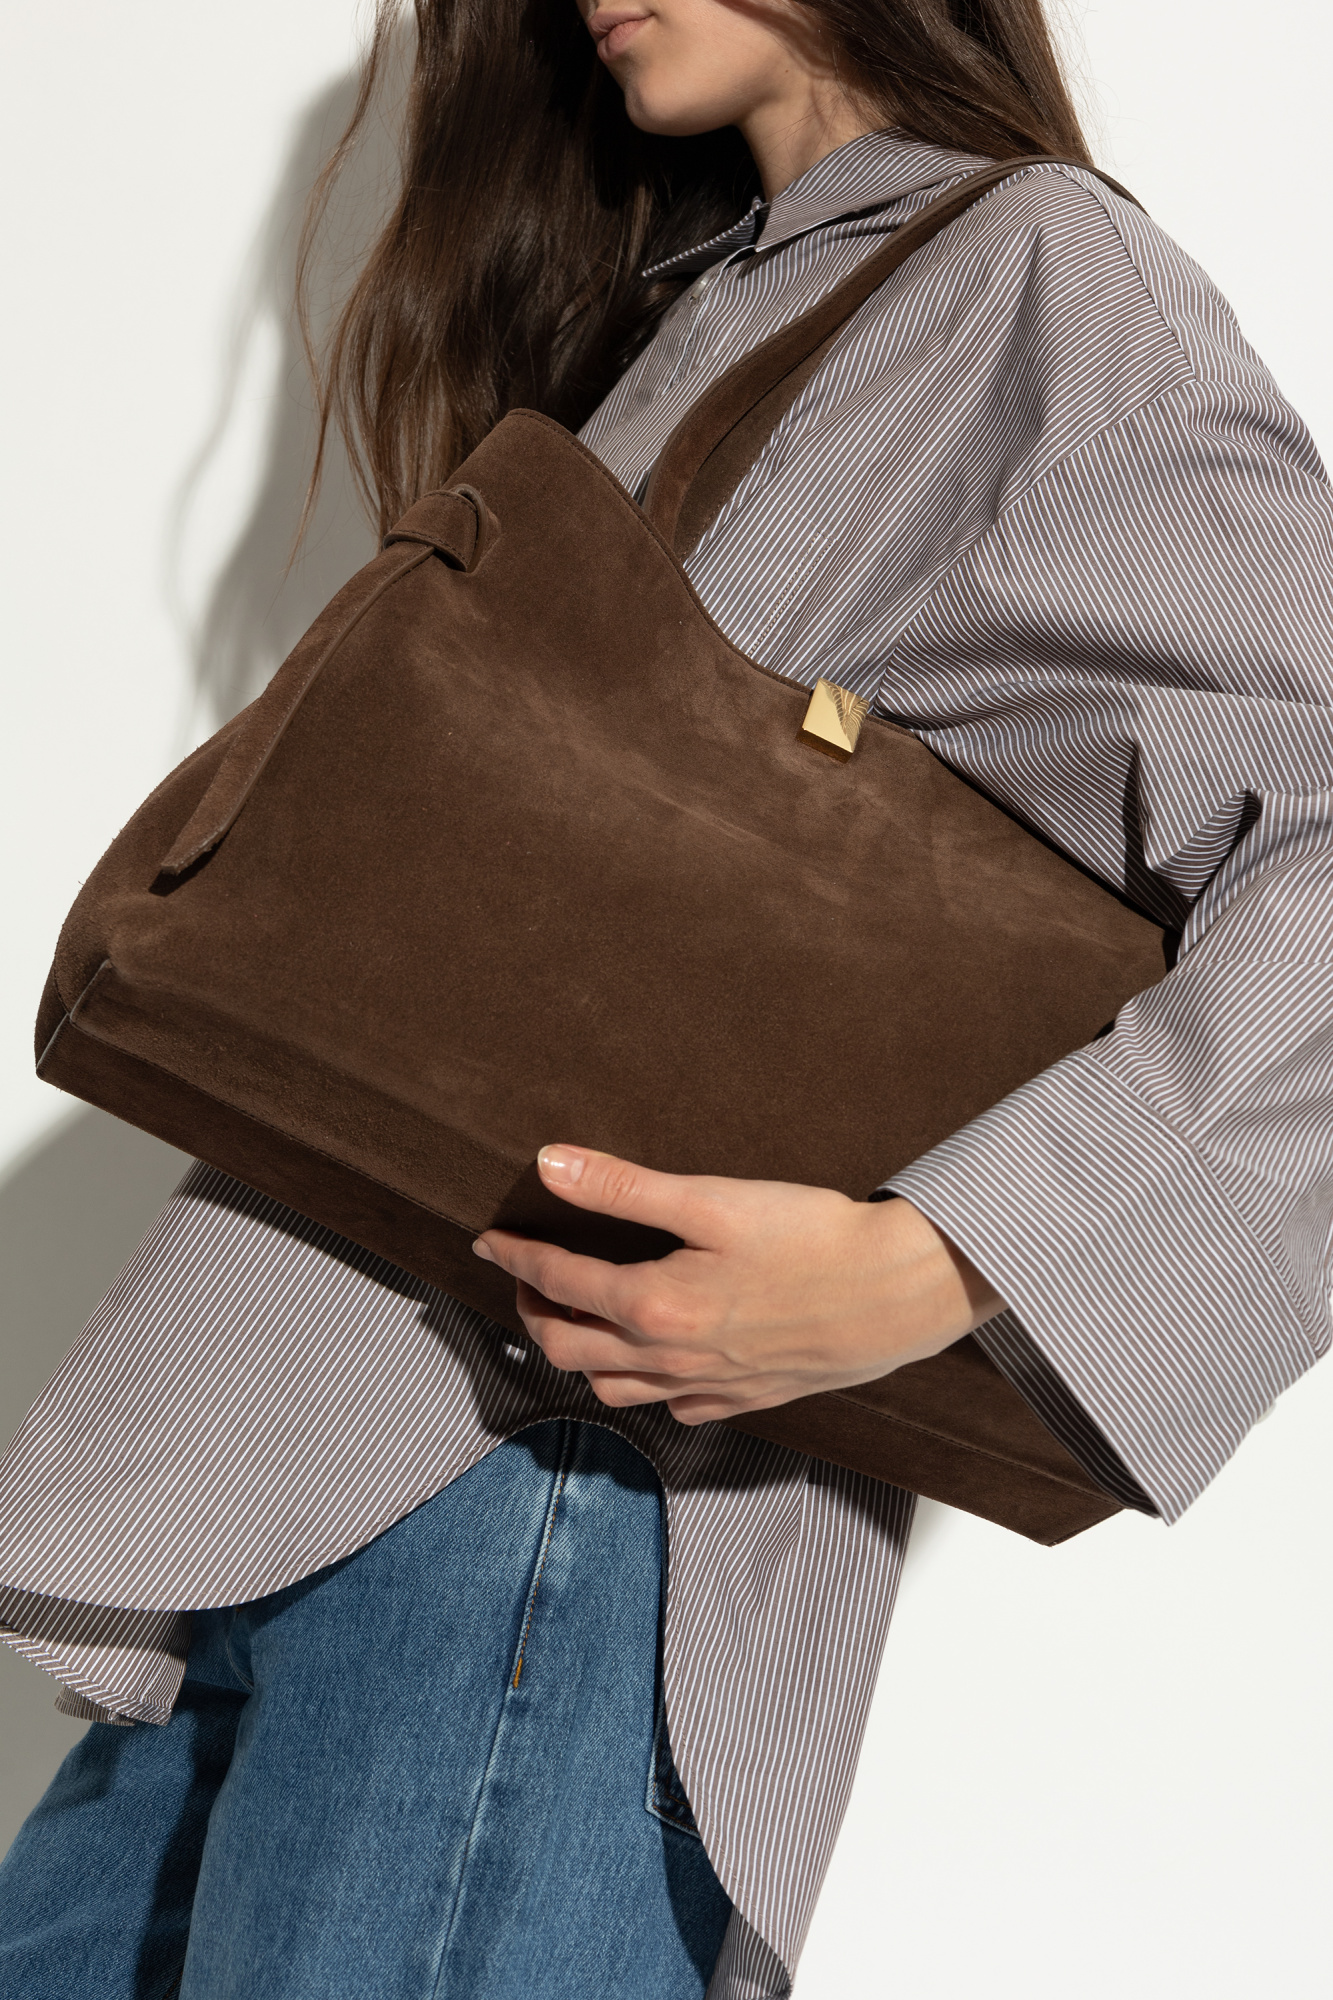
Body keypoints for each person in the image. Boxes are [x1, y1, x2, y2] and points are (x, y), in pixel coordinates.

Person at [1, 0, 1330, 1994]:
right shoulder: (694, 313)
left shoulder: (1039, 280)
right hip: (280, 1483)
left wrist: (939, 1262)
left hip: (554, 1488)